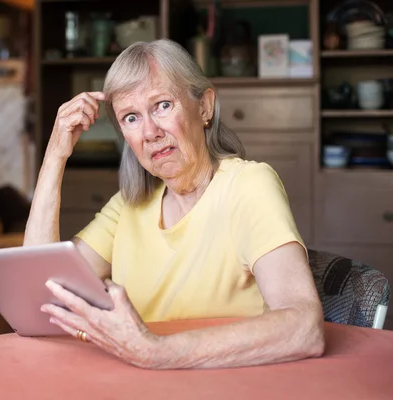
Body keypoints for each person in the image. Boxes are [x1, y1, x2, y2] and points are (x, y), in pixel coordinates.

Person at [23, 39, 325, 369]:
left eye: (163, 105)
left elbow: (304, 327)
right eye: (131, 117)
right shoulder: (128, 205)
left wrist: (157, 351)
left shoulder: (248, 187)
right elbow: (39, 299)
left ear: (204, 107)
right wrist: (55, 155)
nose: (150, 131)